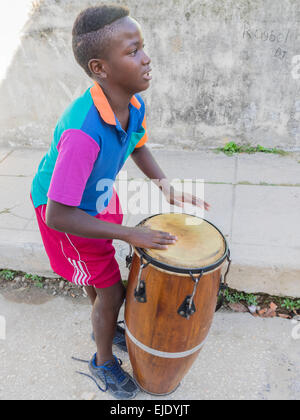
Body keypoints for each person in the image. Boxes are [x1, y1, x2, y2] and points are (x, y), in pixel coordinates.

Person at [30, 4, 210, 399]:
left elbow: (137, 145)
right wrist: (131, 234)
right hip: (64, 210)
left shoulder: (132, 103)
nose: (146, 59)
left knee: (103, 278)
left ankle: (106, 323)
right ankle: (103, 362)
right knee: (111, 290)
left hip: (95, 199)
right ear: (100, 67)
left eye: (143, 47)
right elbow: (60, 215)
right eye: (132, 52)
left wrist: (167, 187)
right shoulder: (83, 130)